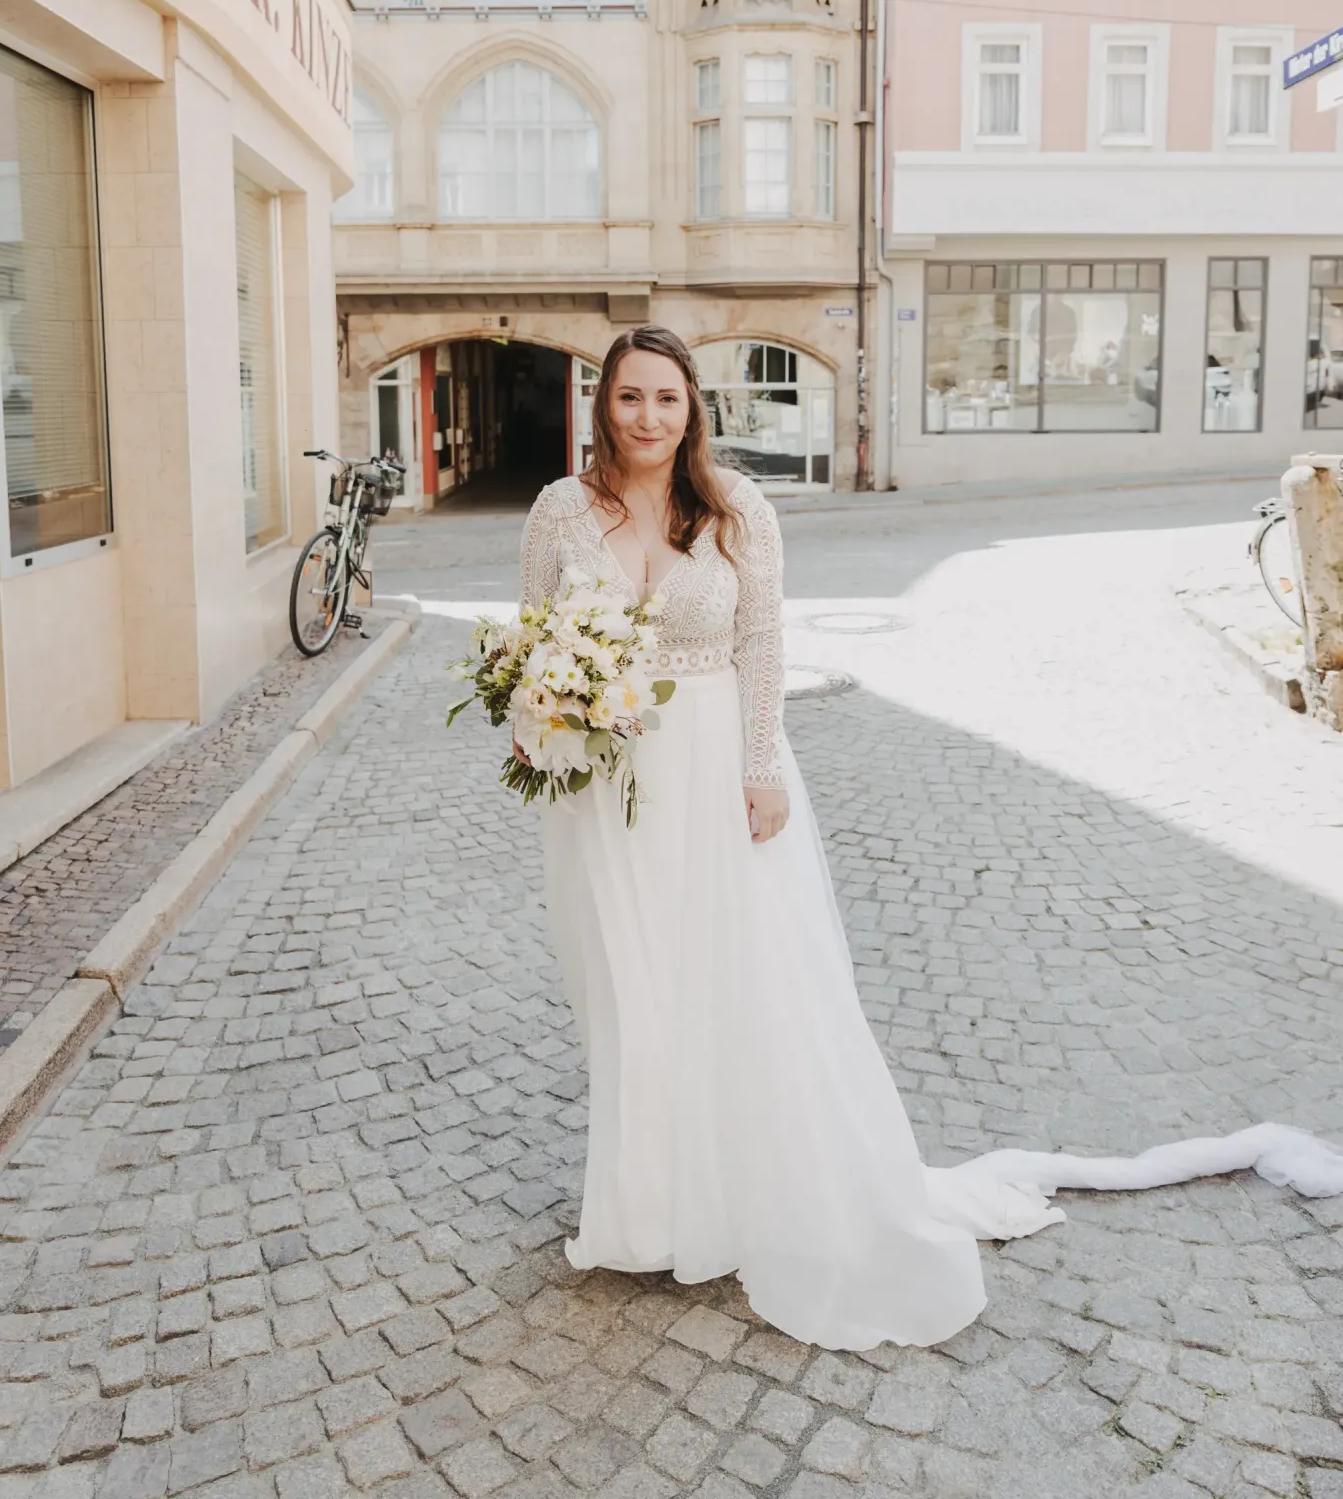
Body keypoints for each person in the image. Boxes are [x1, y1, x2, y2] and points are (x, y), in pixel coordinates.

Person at [515, 326, 1343, 1352]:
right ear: (604, 405)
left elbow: (764, 638)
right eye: (630, 398)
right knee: (632, 986)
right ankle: (646, 1209)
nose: (646, 417)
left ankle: (745, 1190)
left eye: (666, 400)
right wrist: (542, 729)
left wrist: (761, 765)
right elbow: (532, 638)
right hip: (607, 783)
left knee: (743, 984)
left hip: (716, 768)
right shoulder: (562, 510)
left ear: (693, 411)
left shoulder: (736, 505)